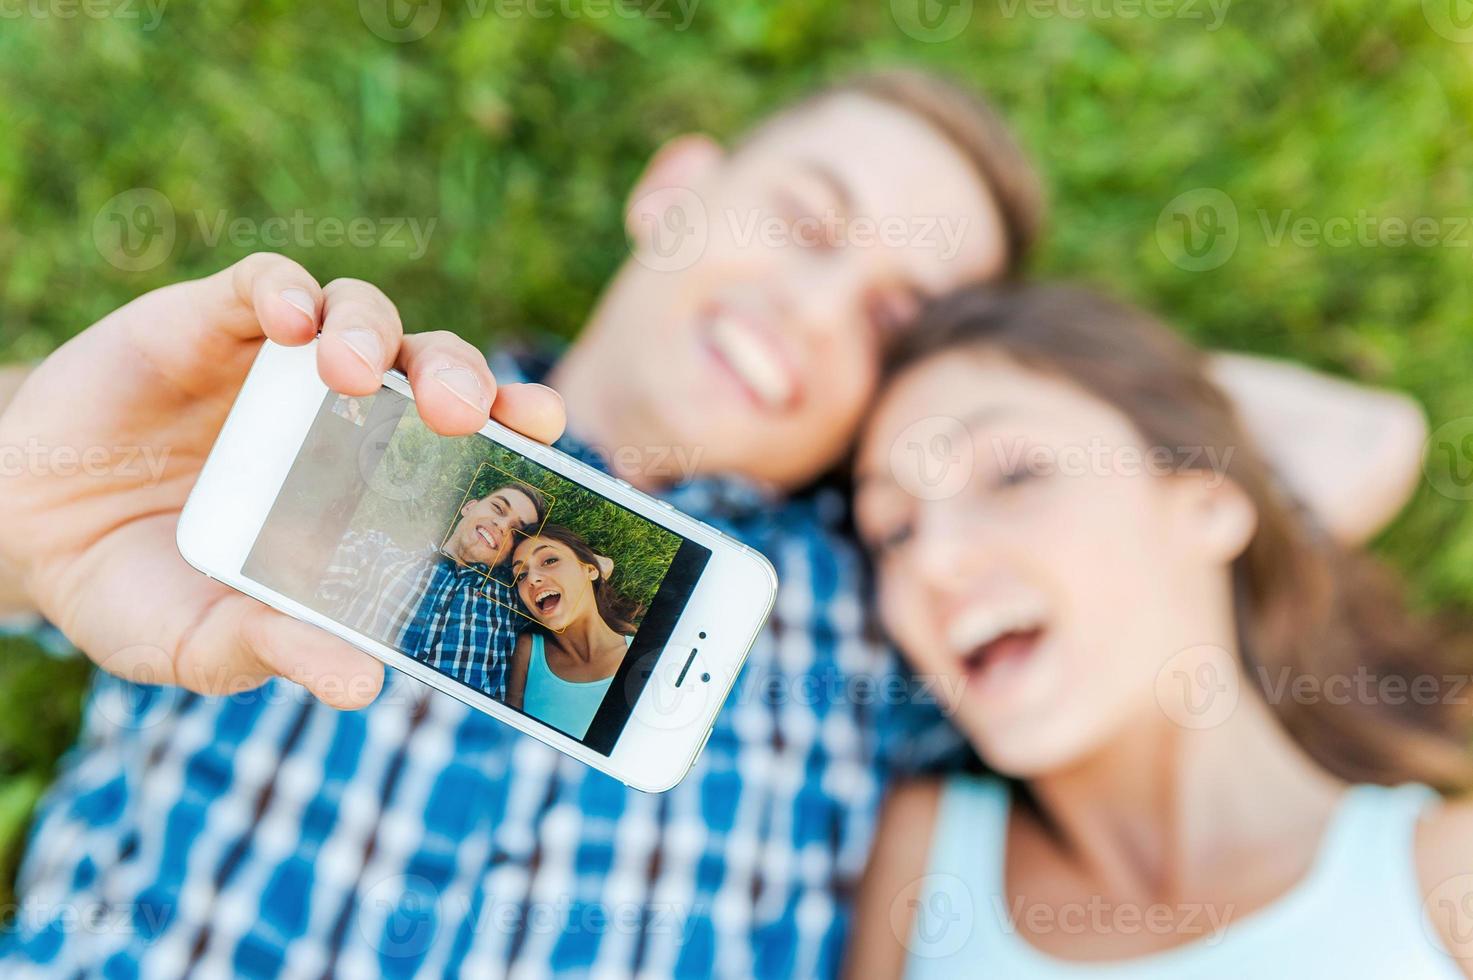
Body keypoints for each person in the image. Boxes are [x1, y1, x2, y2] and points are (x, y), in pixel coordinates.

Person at [0, 70, 1430, 976]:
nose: (810, 312)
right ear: (676, 190)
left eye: (888, 321)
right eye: (806, 226)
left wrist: (1044, 400)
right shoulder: (326, 419)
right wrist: (32, 491)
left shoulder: (877, 616)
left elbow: (1364, 448)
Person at [847, 284, 1473, 979]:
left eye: (1014, 475)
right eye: (891, 530)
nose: (932, 559)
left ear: (1205, 507)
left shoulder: (1444, 877)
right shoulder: (924, 864)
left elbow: (1372, 434)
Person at [316, 479, 549, 700]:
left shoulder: (512, 607)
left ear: (513, 555)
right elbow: (306, 567)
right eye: (498, 508)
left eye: (517, 533)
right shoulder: (376, 551)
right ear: (469, 507)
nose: (501, 525)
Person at [504, 524, 639, 739]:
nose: (531, 579)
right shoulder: (529, 648)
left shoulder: (642, 654)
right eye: (520, 575)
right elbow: (507, 733)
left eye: (549, 560)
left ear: (591, 570)